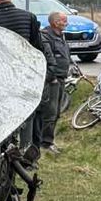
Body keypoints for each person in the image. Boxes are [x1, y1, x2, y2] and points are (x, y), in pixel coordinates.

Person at [32, 9, 70, 158]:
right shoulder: (46, 37)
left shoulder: (61, 36)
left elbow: (65, 55)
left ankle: (48, 140)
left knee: (57, 112)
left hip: (61, 77)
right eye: (63, 20)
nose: (66, 23)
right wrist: (52, 76)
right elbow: (49, 57)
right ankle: (45, 142)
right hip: (52, 80)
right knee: (50, 111)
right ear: (55, 22)